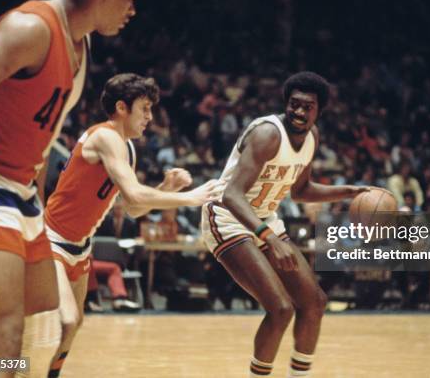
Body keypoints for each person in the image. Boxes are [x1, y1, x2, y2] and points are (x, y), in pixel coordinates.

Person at [0, 0, 154, 376]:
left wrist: (35, 209)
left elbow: (39, 140)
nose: (133, 10)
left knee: (39, 318)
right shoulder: (32, 27)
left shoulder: (79, 46)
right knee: (5, 337)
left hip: (20, 194)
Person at [44, 73, 220, 378]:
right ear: (122, 108)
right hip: (51, 240)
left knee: (74, 325)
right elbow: (136, 194)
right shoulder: (104, 136)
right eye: (145, 109)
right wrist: (192, 197)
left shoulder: (128, 148)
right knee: (66, 321)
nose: (150, 118)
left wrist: (167, 187)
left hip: (81, 247)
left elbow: (134, 209)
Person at [200, 71, 369, 377]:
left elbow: (301, 191)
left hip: (264, 220)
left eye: (308, 106)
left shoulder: (312, 138)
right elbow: (231, 195)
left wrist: (351, 191)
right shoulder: (268, 134)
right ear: (286, 103)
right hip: (226, 217)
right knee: (280, 309)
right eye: (295, 104)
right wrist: (270, 238)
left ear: (320, 110)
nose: (300, 112)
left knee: (315, 303)